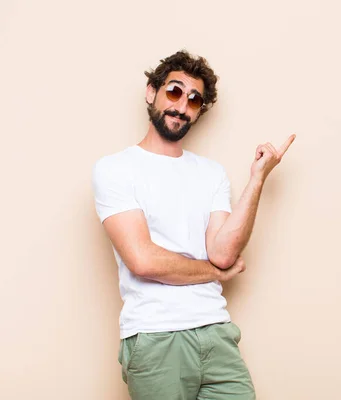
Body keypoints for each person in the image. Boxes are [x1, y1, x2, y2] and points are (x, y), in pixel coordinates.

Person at [92, 50, 295, 400]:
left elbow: (224, 252)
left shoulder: (211, 173)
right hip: (156, 337)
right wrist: (216, 274)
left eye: (194, 100)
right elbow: (143, 261)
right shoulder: (115, 169)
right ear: (151, 91)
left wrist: (258, 178)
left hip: (216, 333)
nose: (182, 105)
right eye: (174, 91)